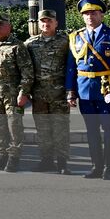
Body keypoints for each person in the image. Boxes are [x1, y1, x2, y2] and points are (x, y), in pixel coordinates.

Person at [65, 0, 110, 180]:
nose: (90, 17)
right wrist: (71, 92)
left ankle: (109, 168)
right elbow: (71, 67)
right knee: (91, 130)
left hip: (107, 90)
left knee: (109, 129)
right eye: (86, 14)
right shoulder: (75, 37)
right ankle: (96, 166)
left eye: (93, 13)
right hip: (85, 91)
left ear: (101, 14)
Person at [0, 13, 33, 173]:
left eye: (1, 24)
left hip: (12, 92)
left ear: (9, 26)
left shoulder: (17, 46)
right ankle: (1, 155)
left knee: (14, 126)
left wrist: (23, 92)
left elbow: (27, 72)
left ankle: (13, 157)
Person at [26, 10, 73, 174]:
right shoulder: (30, 44)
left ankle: (62, 163)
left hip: (59, 94)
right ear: (38, 23)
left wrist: (71, 91)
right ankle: (46, 160)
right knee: (43, 130)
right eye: (43, 21)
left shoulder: (66, 41)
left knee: (61, 130)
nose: (46, 24)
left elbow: (72, 67)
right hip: (39, 95)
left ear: (56, 23)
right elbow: (26, 69)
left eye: (49, 21)